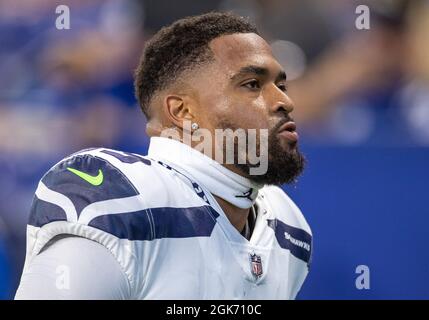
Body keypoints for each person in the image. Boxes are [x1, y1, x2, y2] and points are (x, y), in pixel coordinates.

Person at [15, 12, 312, 300]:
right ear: (182, 112)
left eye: (281, 85)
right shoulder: (119, 203)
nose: (284, 100)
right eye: (252, 85)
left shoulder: (287, 225)